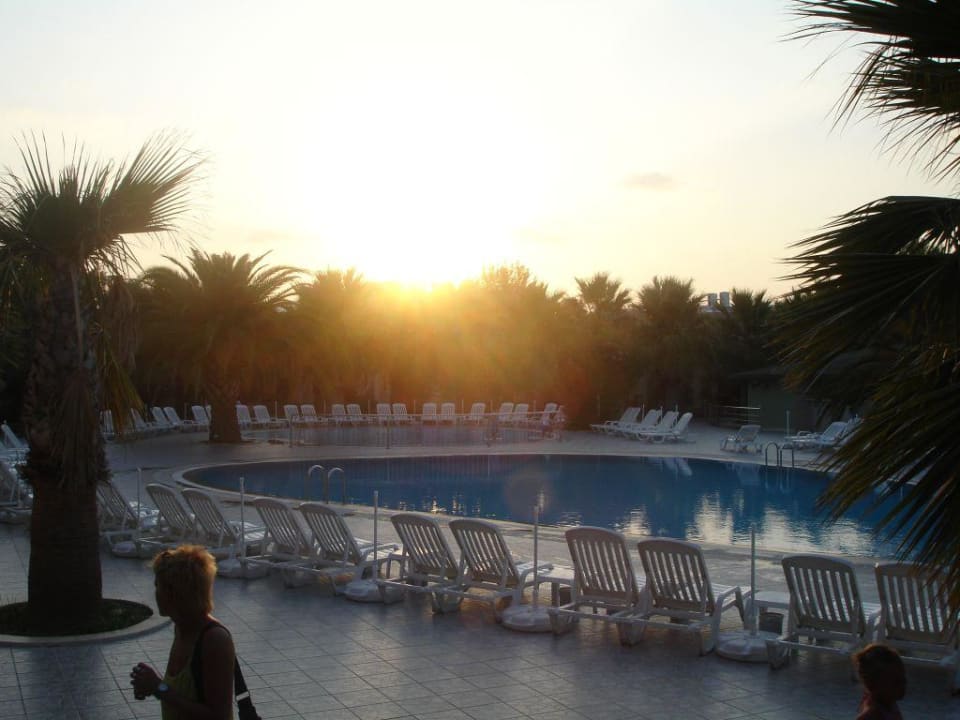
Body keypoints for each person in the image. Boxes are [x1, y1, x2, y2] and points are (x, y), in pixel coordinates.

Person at [131, 545, 236, 720]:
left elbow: (219, 716)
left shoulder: (214, 640)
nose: (155, 593)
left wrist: (158, 688)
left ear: (175, 593)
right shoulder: (182, 627)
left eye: (158, 586)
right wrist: (151, 686)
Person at [853, 643, 906, 720]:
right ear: (874, 686)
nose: (903, 683)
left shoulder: (890, 705)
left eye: (903, 677)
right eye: (896, 681)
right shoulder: (871, 715)